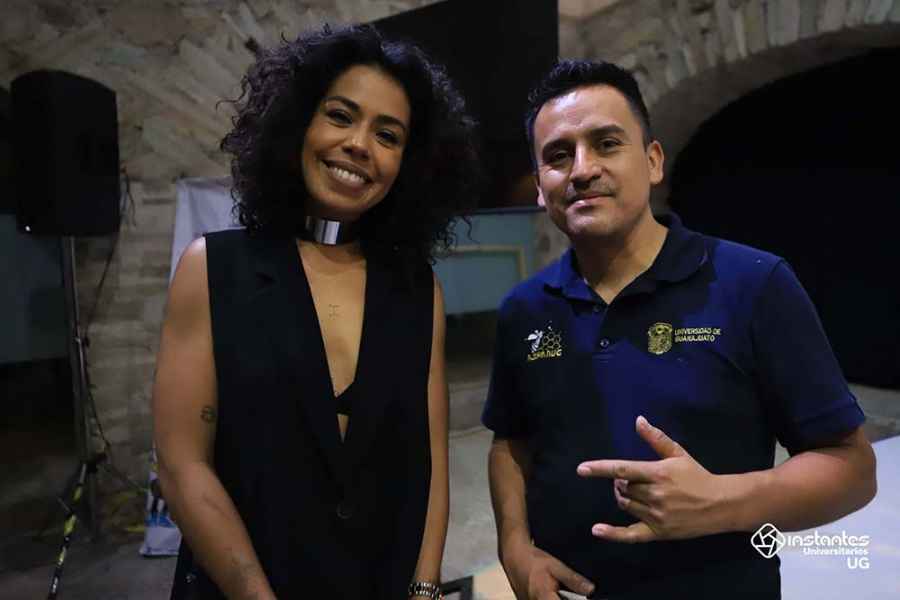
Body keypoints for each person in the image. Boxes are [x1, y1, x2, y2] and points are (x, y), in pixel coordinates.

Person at [483, 59, 877, 599]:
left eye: (606, 144)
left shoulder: (753, 284)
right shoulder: (524, 310)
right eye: (558, 156)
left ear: (652, 161)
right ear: (539, 186)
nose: (581, 169)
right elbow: (510, 441)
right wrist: (514, 546)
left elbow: (852, 469)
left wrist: (720, 502)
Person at [152, 25, 479, 600]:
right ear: (298, 122)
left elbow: (428, 461)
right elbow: (183, 467)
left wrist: (426, 588)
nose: (359, 144)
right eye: (340, 116)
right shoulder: (212, 270)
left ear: (409, 162)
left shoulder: (416, 288)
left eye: (387, 134)